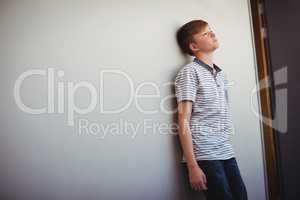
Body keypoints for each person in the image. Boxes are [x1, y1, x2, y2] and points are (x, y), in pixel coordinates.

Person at [174, 19, 248, 200]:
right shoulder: (189, 72)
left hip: (226, 151)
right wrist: (192, 166)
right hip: (205, 155)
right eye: (205, 34)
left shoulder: (220, 74)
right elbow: (183, 120)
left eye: (211, 30)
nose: (213, 34)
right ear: (193, 45)